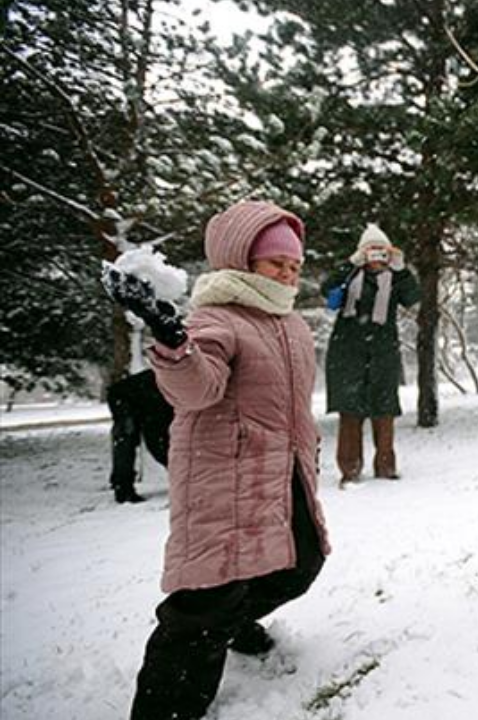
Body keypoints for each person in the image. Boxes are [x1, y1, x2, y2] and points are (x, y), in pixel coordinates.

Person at [102, 200, 331, 720]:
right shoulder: (217, 318)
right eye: (276, 263)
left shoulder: (291, 325)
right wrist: (172, 341)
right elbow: (195, 390)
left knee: (300, 564)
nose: (288, 273)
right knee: (203, 607)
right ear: (241, 261)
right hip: (223, 481)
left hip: (282, 474)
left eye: (294, 265)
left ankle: (233, 624)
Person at [321, 223, 421, 487]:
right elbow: (326, 290)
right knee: (350, 413)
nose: (376, 258)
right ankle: (349, 470)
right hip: (347, 352)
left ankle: (386, 468)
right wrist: (349, 264)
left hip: (383, 352)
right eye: (371, 252)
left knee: (384, 410)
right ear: (362, 253)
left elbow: (413, 297)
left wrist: (401, 269)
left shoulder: (395, 279)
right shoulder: (350, 275)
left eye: (381, 252)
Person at [106, 368, 173, 504]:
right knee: (127, 439)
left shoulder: (172, 390)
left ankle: (120, 482)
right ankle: (123, 489)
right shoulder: (166, 398)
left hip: (135, 396)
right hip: (124, 397)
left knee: (127, 440)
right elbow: (157, 442)